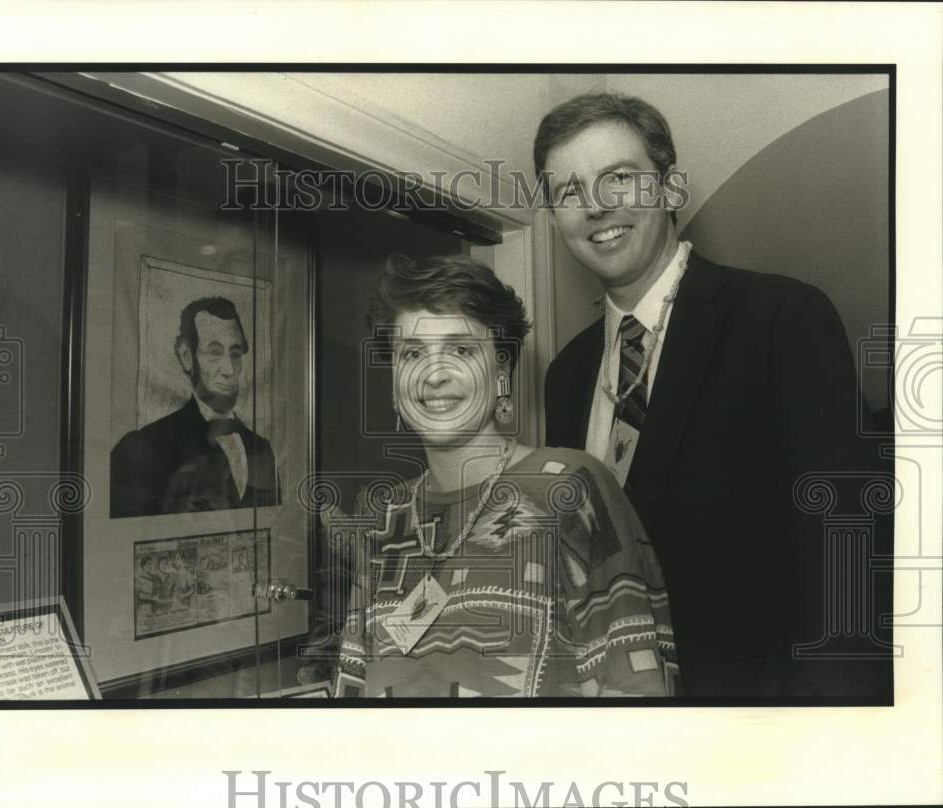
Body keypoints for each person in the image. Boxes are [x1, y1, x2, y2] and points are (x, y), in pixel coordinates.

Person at [534, 92, 888, 698]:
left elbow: (843, 557)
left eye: (619, 178)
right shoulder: (566, 376)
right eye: (568, 191)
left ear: (671, 190)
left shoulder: (781, 318)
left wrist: (841, 733)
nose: (595, 206)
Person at [332, 254, 679, 698]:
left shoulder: (568, 490)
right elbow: (352, 692)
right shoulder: (385, 519)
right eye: (413, 353)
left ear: (501, 373)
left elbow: (640, 695)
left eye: (461, 349)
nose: (435, 374)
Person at [110, 296, 279, 517]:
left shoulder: (262, 449)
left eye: (235, 354)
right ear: (187, 357)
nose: (229, 369)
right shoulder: (140, 448)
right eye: (215, 352)